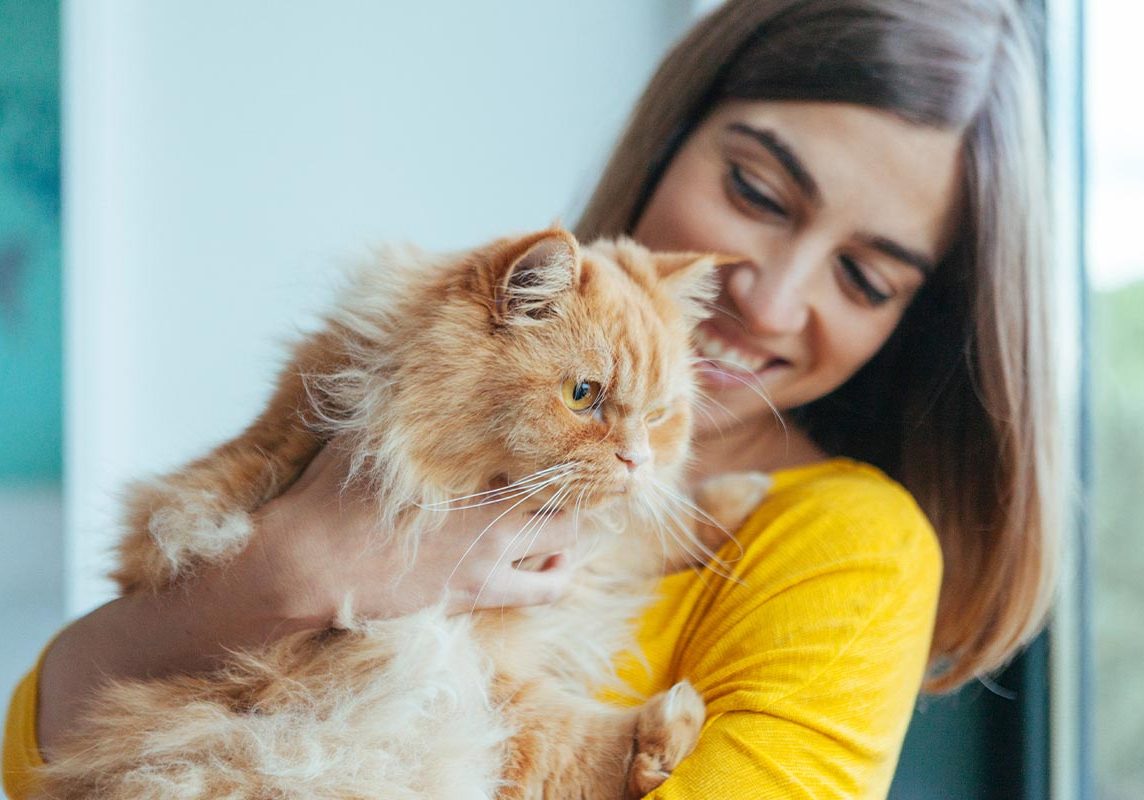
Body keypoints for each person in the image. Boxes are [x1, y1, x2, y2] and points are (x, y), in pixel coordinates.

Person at [4, 0, 1058, 796]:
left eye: (865, 278)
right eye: (757, 191)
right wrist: (295, 568)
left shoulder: (850, 544)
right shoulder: (459, 358)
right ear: (672, 131)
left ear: (911, 323)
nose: (769, 298)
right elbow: (43, 736)